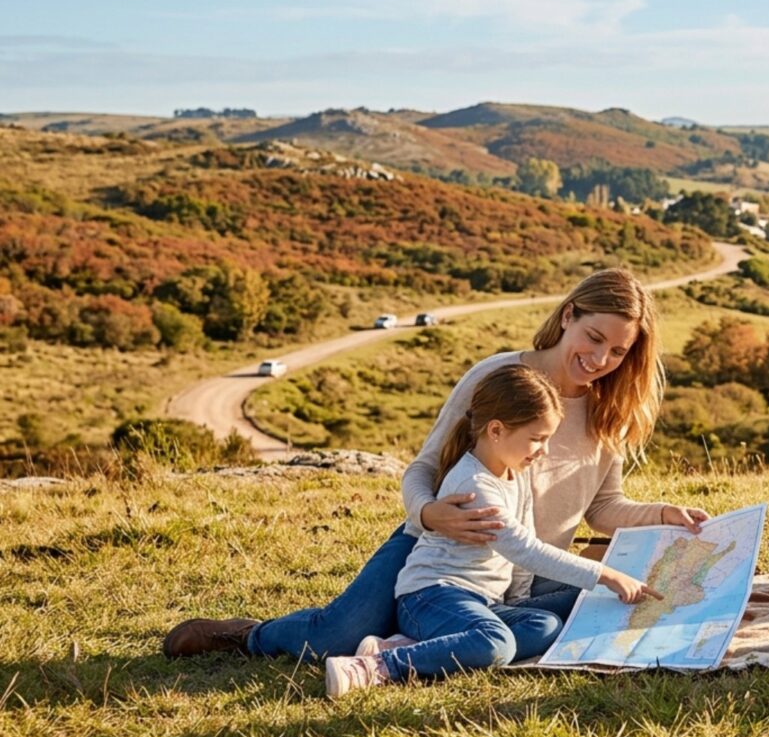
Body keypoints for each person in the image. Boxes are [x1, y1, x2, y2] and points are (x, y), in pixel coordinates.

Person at [163, 267, 708, 661]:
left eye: (618, 352)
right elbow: (423, 468)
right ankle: (247, 636)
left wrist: (663, 512)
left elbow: (604, 510)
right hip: (435, 549)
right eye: (594, 338)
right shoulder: (498, 379)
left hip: (522, 576)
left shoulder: (607, 411)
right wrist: (428, 515)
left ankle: (424, 636)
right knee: (335, 637)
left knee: (565, 618)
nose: (601, 360)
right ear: (569, 315)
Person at [322, 364, 659, 697]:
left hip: (482, 601)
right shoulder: (475, 484)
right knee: (496, 642)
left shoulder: (515, 472)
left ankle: (406, 646)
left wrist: (520, 602)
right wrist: (605, 574)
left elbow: (521, 554)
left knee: (546, 624)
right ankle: (376, 667)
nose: (544, 451)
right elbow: (523, 548)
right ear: (496, 431)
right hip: (431, 597)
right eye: (537, 439)